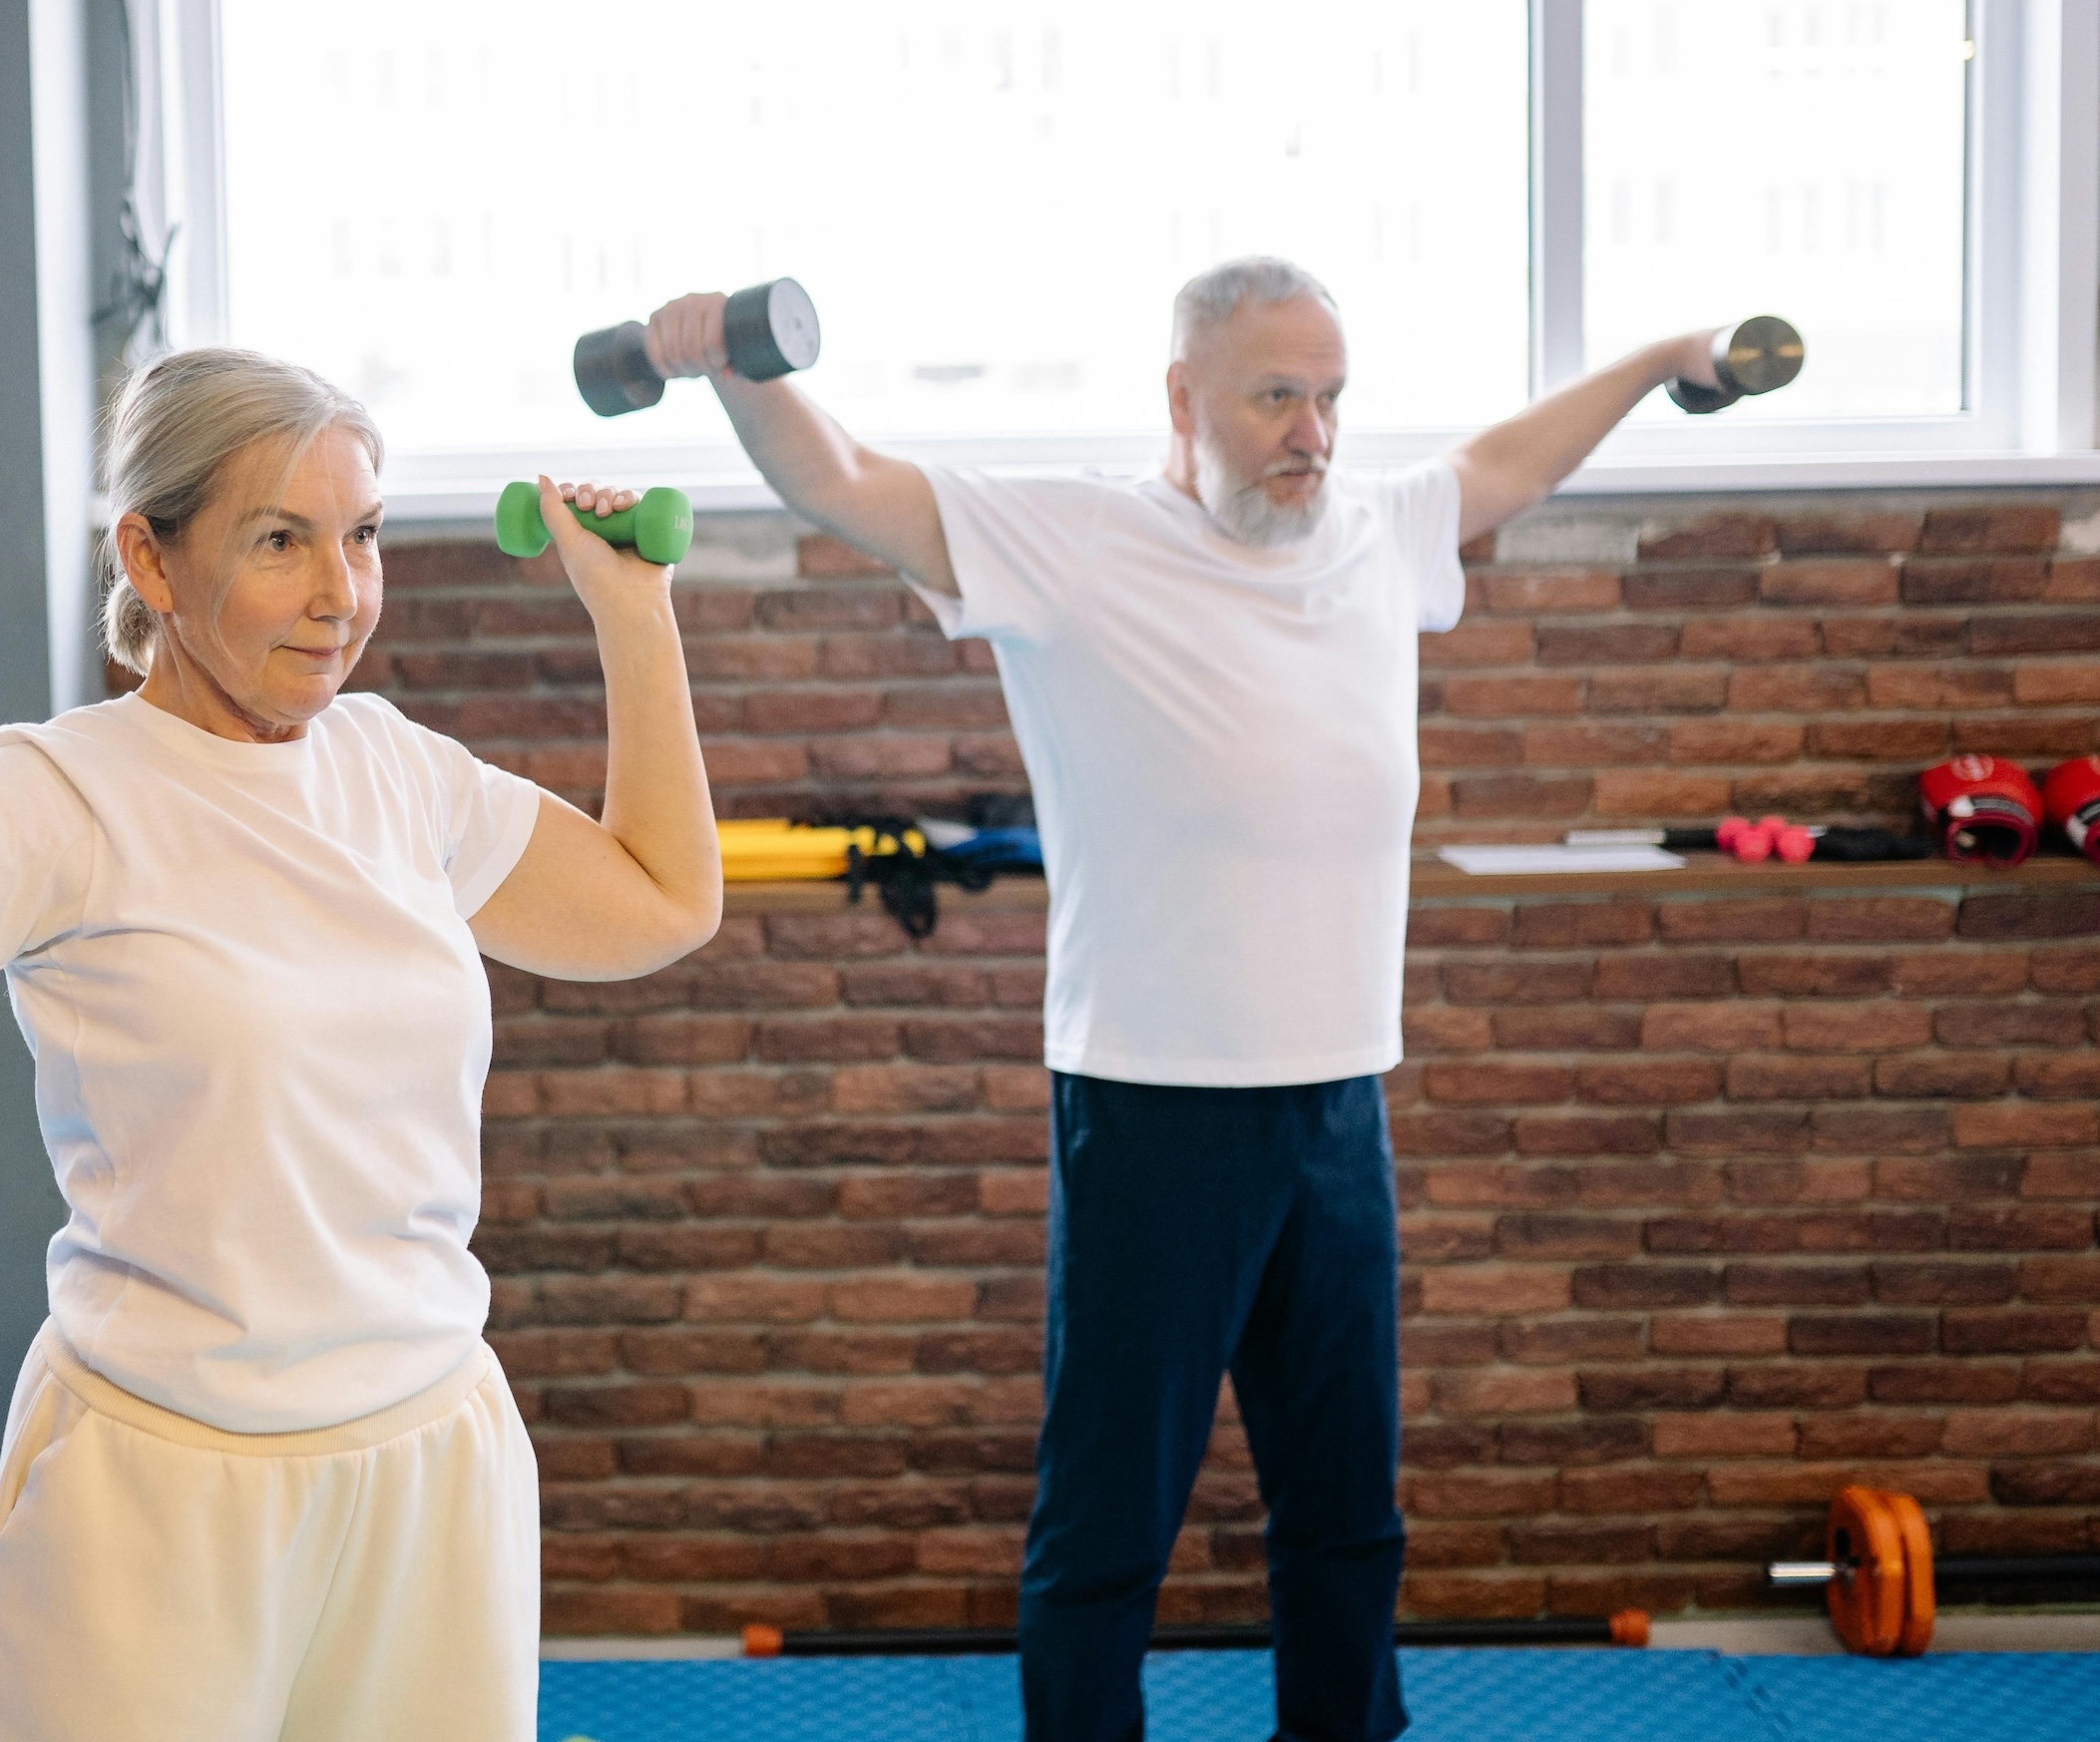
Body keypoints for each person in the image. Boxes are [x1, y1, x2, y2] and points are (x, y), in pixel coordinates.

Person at [641, 257, 1729, 1742]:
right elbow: (839, 480)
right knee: (1106, 1525)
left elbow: (1501, 462)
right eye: (1276, 395)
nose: (1313, 432)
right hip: (1150, 1106)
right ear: (1182, 399)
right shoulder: (1074, 537)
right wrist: (731, 364)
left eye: (1331, 397)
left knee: (1347, 1511)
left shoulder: (1370, 530)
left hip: (1339, 1103)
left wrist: (1659, 356)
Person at [0, 347, 721, 1742]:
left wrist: (631, 610)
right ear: (148, 561)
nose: (341, 594)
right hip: (164, 1483)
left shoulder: (394, 767)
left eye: (361, 535)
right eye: (280, 540)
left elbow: (657, 899)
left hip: (430, 1454)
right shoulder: (56, 793)